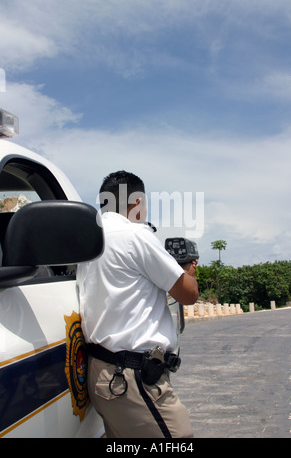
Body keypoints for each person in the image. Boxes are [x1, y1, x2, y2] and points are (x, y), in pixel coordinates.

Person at [77, 170, 198, 438]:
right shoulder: (135, 235)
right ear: (137, 203)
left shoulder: (88, 239)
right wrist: (188, 269)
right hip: (131, 377)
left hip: (104, 371)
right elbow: (188, 294)